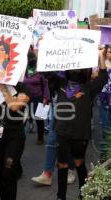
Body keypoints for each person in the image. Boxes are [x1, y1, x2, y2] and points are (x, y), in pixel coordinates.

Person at [55, 48, 108, 200]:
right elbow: (46, 71)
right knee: (63, 165)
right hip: (62, 131)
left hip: (80, 133)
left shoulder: (89, 88)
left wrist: (99, 55)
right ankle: (61, 196)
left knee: (79, 163)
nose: (75, 70)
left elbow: (104, 77)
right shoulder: (60, 85)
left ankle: (84, 194)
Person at [0, 82, 30, 200]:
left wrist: (3, 88)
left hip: (14, 136)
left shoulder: (23, 87)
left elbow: (14, 106)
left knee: (9, 171)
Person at [24, 50, 50, 145]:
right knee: (22, 117)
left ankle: (40, 137)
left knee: (39, 118)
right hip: (25, 97)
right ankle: (20, 136)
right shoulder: (23, 70)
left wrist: (45, 98)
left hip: (38, 97)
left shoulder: (40, 71)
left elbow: (45, 85)